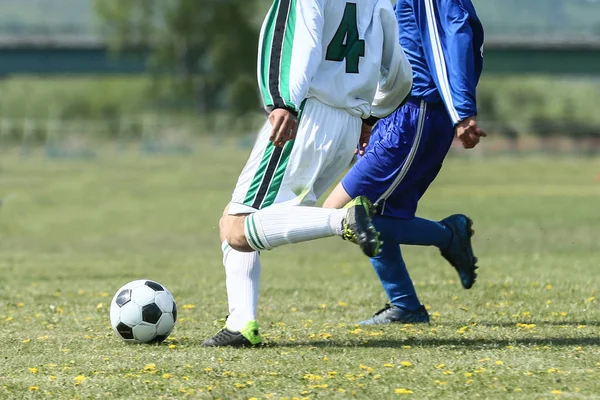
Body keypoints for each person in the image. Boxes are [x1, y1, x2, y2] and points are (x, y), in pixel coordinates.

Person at [202, 0, 414, 347]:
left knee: (237, 227)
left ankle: (343, 220)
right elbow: (401, 75)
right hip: (347, 124)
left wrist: (282, 100)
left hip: (306, 115)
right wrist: (370, 116)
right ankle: (241, 322)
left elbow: (297, 39)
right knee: (236, 216)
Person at [323, 0, 486, 324]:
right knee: (371, 213)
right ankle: (406, 305)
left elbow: (452, 37)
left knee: (342, 213)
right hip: (398, 112)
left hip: (416, 112)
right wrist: (370, 117)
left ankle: (448, 237)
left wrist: (462, 110)